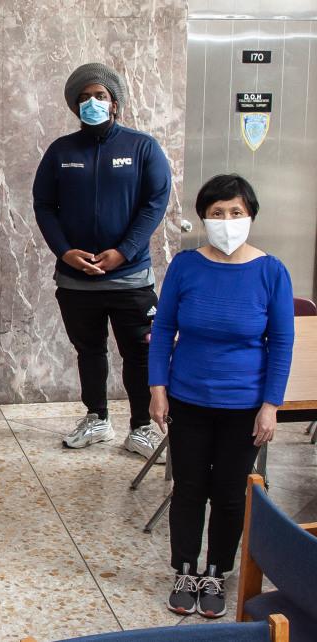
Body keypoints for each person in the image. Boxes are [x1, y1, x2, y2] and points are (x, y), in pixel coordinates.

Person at [149, 174, 292, 619]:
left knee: (230, 493)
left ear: (251, 216)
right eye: (217, 213)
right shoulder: (185, 267)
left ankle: (216, 572)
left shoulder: (271, 272)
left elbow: (281, 343)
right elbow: (163, 330)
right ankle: (185, 569)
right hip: (188, 398)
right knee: (188, 488)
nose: (226, 221)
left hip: (244, 406)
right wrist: (157, 389)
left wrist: (270, 406)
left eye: (236, 212)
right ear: (203, 218)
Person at [33, 62, 172, 459]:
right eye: (83, 98)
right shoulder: (61, 151)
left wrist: (124, 251)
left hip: (130, 279)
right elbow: (44, 205)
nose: (91, 102)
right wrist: (65, 251)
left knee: (139, 354)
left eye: (100, 96)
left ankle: (141, 427)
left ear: (114, 103)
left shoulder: (142, 148)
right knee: (89, 351)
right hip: (76, 280)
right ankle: (97, 418)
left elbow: (155, 203)